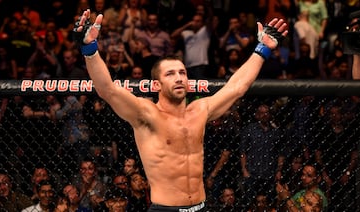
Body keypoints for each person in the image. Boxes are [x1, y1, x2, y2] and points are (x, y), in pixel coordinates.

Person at [74, 9, 287, 211]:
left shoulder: (200, 109)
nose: (178, 78)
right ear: (156, 85)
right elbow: (107, 90)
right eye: (170, 74)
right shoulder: (146, 114)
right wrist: (90, 49)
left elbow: (237, 87)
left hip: (201, 206)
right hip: (165, 209)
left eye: (182, 73)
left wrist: (263, 49)